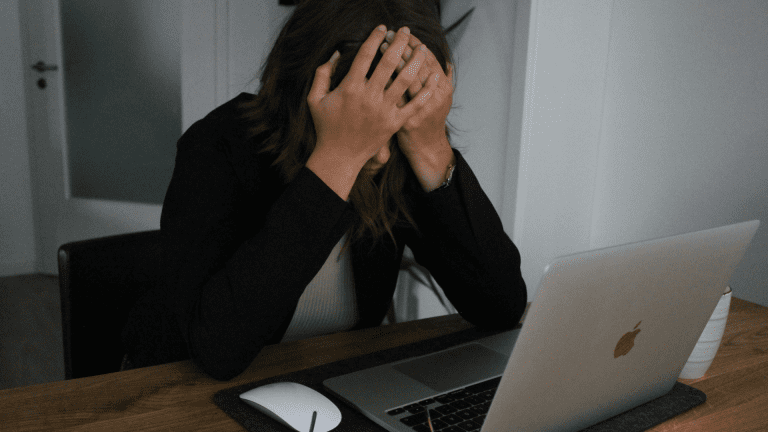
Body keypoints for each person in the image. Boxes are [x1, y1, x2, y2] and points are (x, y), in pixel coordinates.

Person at [121, 0, 526, 381]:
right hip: (177, 388)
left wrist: (432, 148)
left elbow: (501, 306)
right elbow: (218, 349)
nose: (382, 148)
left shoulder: (404, 149)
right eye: (366, 115)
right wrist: (337, 162)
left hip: (323, 380)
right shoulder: (217, 144)